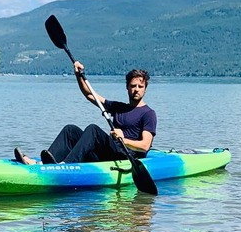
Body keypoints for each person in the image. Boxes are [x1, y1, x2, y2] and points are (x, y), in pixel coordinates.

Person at [14, 60, 157, 164]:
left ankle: (65, 165)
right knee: (70, 130)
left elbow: (145, 146)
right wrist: (78, 75)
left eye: (140, 86)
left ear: (145, 88)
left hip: (127, 156)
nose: (136, 89)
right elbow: (90, 95)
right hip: (110, 152)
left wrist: (123, 139)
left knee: (93, 130)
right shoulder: (119, 107)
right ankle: (44, 163)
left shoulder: (148, 113)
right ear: (127, 87)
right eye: (133, 86)